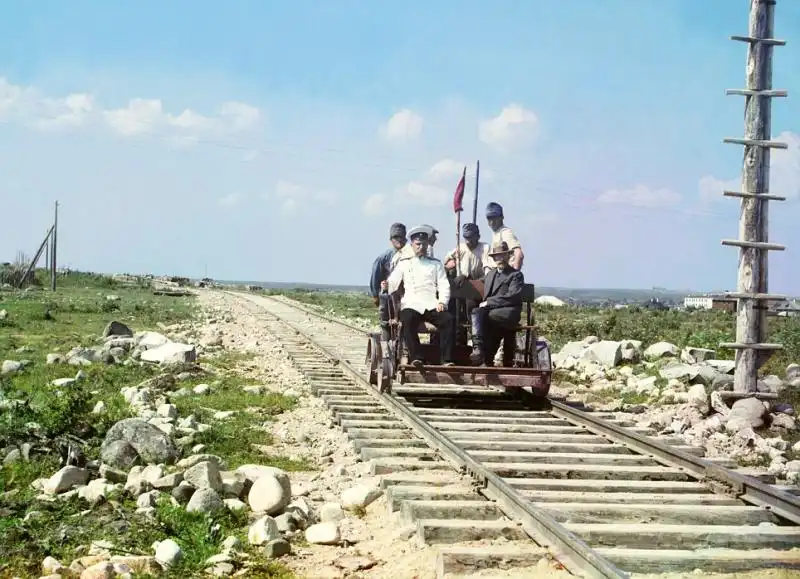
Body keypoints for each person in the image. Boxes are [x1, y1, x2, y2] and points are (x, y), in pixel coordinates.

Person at [383, 226, 454, 367]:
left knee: (448, 320)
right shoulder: (405, 263)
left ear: (428, 245)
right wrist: (387, 285)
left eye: (423, 244)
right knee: (407, 320)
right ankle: (417, 357)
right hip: (411, 304)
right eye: (417, 244)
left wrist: (442, 302)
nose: (420, 247)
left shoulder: (436, 264)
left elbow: (444, 285)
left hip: (431, 304)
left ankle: (446, 360)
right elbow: (393, 282)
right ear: (412, 245)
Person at [470, 241, 524, 366]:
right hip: (491, 312)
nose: (500, 259)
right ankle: (478, 348)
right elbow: (476, 283)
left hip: (509, 311)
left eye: (503, 255)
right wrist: (462, 278)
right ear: (494, 258)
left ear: (508, 256)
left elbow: (512, 297)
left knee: (487, 317)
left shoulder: (515, 275)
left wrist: (489, 302)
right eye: (497, 256)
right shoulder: (490, 274)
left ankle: (485, 355)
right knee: (477, 312)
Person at [369, 223, 407, 338]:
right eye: (396, 237)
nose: (399, 239)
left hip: (406, 296)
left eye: (401, 236)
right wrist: (375, 295)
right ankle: (386, 348)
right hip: (388, 296)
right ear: (391, 239)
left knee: (406, 324)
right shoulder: (384, 257)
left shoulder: (411, 255)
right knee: (386, 323)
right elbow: (375, 276)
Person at [485, 202, 524, 270]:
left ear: (502, 217)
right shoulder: (496, 233)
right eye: (489, 218)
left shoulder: (505, 232)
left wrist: (514, 273)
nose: (492, 221)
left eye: (495, 218)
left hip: (505, 272)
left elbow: (519, 254)